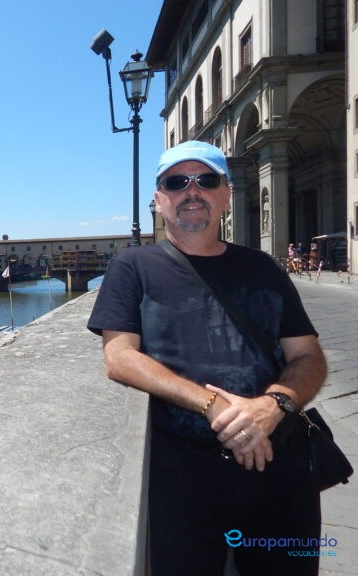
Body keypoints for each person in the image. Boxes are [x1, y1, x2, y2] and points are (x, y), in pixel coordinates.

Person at [87, 140, 327, 576]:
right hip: (184, 477)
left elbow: (308, 355)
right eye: (177, 182)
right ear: (159, 200)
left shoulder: (265, 268)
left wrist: (271, 407)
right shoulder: (132, 267)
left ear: (226, 196)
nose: (191, 191)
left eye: (206, 180)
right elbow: (119, 357)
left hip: (279, 468)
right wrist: (213, 406)